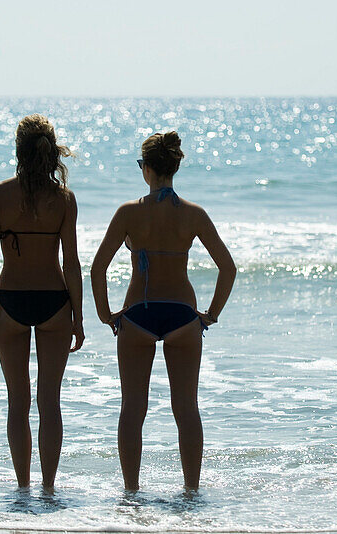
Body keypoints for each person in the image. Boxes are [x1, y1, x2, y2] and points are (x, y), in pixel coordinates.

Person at [90, 131, 236, 491]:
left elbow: (97, 268)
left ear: (148, 169)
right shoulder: (193, 214)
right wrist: (211, 314)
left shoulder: (128, 213)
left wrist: (106, 314)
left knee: (132, 410)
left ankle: (131, 492)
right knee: (186, 409)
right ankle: (190, 492)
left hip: (138, 315)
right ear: (173, 168)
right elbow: (228, 268)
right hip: (184, 318)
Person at [0, 114, 84, 489]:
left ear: (18, 151)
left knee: (18, 402)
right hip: (55, 302)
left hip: (10, 303)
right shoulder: (64, 200)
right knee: (49, 402)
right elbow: (71, 262)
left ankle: (23, 489)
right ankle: (49, 489)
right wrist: (79, 317)